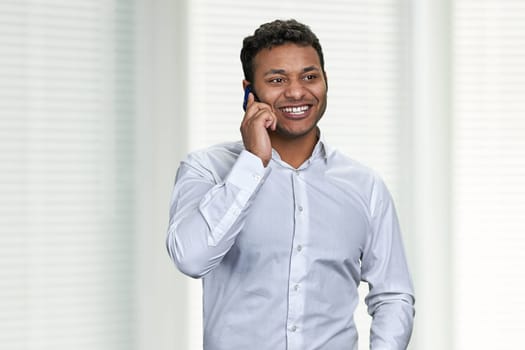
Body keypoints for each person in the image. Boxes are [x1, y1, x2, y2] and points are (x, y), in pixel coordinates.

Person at [166, 19, 415, 350]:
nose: (297, 91)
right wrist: (253, 161)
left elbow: (393, 294)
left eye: (309, 76)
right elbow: (191, 259)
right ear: (249, 91)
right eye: (277, 79)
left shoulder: (365, 186)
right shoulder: (207, 170)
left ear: (326, 81)